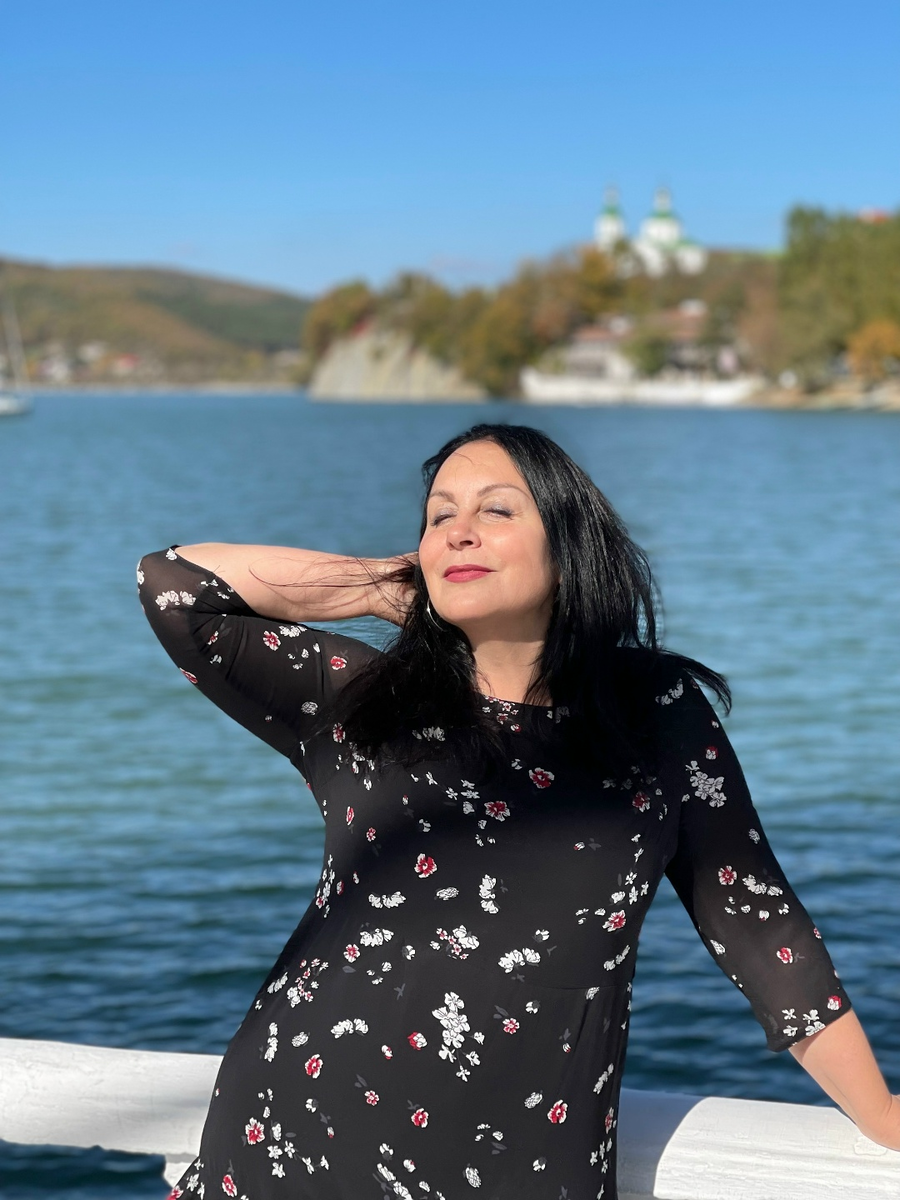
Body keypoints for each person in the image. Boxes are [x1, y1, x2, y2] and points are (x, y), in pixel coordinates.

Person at [138, 424, 898, 1200]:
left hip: (523, 1169)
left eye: (497, 510)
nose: (459, 531)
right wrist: (383, 585)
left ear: (570, 546)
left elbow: (758, 922)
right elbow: (172, 586)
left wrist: (882, 1114)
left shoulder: (655, 715)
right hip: (288, 1145)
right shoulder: (360, 701)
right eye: (440, 516)